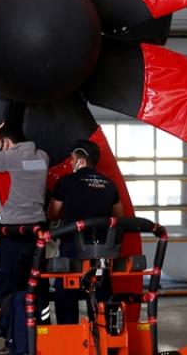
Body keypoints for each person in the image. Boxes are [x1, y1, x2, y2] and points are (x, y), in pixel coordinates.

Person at [0, 119, 49, 355]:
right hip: (37, 231)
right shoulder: (43, 157)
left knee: (8, 287)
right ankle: (41, 338)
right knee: (36, 285)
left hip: (13, 232)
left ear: (5, 142)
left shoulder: (10, 157)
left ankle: (11, 341)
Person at [46, 139, 123, 325]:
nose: (70, 163)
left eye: (72, 159)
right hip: (102, 250)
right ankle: (105, 332)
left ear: (80, 160)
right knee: (101, 290)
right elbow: (119, 216)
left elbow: (52, 214)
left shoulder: (66, 182)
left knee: (66, 288)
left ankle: (69, 332)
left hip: (73, 248)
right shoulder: (109, 184)